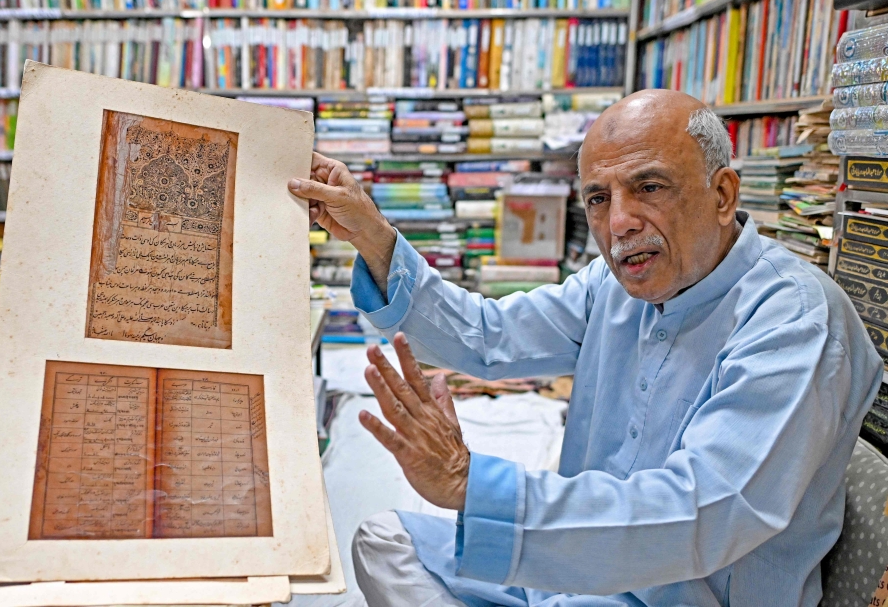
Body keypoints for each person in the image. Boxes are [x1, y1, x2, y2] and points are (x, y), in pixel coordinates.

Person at [287, 89, 883, 607]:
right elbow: (490, 335)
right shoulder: (617, 283)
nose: (619, 222)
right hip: (574, 575)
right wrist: (370, 233)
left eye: (648, 187)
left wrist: (470, 483)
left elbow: (700, 513)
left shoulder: (794, 320)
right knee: (384, 540)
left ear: (722, 194)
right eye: (598, 198)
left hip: (681, 595)